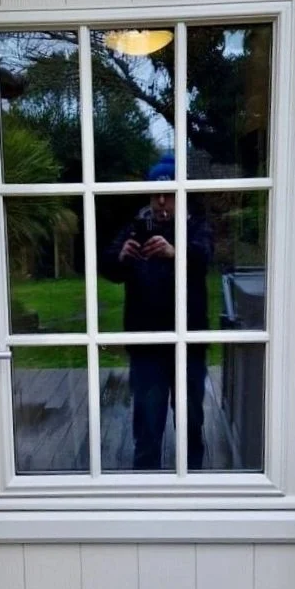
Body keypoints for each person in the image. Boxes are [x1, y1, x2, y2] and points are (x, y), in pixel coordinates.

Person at [100, 153, 212, 470]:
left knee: (191, 417)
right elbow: (107, 266)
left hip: (189, 340)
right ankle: (145, 484)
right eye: (156, 193)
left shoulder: (196, 224)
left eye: (169, 194)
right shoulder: (135, 225)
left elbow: (204, 257)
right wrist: (121, 256)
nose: (162, 201)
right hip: (146, 341)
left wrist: (174, 252)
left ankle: (194, 481)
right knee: (147, 423)